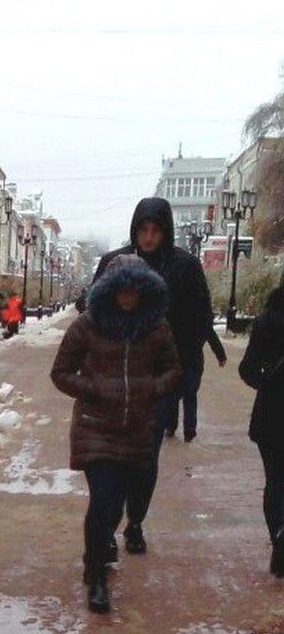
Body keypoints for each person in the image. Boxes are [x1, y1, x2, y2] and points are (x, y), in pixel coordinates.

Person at [83, 198, 216, 553]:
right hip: (115, 380)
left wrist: (179, 369)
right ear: (135, 229)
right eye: (143, 230)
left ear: (166, 231)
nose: (149, 238)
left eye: (156, 231)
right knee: (110, 460)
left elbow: (200, 317)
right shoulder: (115, 263)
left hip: (157, 385)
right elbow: (92, 314)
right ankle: (107, 528)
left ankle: (136, 521)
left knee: (144, 460)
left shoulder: (184, 267)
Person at [51, 255, 180, 612]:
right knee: (103, 500)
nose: (127, 297)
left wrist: (151, 389)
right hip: (96, 427)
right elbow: (60, 372)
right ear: (110, 290)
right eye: (121, 290)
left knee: (116, 507)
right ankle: (96, 578)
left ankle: (97, 549)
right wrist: (91, 388)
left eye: (134, 290)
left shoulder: (156, 328)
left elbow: (172, 370)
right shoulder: (88, 325)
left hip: (136, 429)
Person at [238, 282, 284, 577]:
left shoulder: (267, 320)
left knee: (275, 482)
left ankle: (278, 537)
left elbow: (247, 369)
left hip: (271, 415)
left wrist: (268, 385)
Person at [166, 326, 227, 441]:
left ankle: (171, 426)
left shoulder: (173, 310)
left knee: (173, 394)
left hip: (175, 358)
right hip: (194, 359)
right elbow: (210, 332)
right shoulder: (200, 313)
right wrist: (220, 355)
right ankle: (189, 431)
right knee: (190, 395)